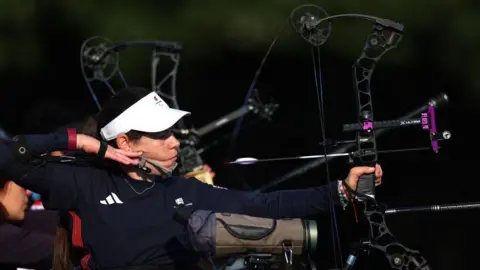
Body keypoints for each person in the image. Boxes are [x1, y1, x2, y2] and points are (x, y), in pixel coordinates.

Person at [0, 86, 383, 270]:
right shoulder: (85, 183)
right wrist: (85, 143)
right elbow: (8, 156)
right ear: (125, 142)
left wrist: (340, 190)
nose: (174, 143)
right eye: (160, 134)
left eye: (173, 133)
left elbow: (264, 205)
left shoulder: (182, 191)